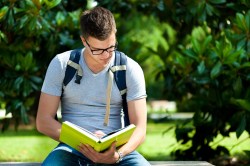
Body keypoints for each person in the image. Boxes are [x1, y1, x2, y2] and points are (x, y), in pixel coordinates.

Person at [36, 6, 151, 166]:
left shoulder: (130, 69)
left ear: (115, 32)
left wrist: (118, 154)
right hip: (72, 148)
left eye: (111, 47)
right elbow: (43, 121)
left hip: (117, 150)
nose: (106, 55)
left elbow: (140, 129)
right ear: (84, 40)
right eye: (97, 50)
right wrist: (84, 143)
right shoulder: (62, 64)